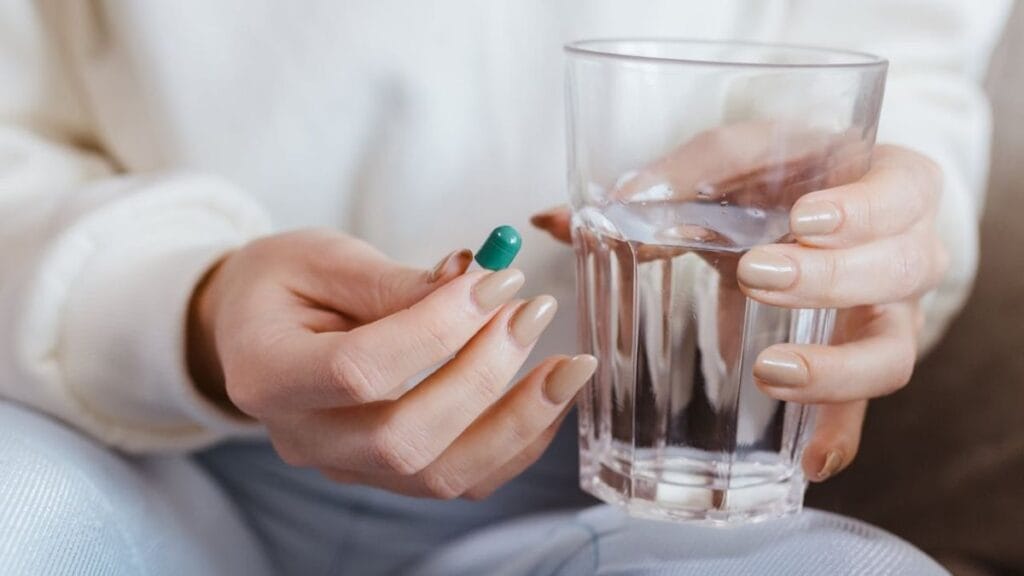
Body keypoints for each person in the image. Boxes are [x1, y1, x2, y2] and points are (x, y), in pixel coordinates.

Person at [0, 1, 1011, 574]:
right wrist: (186, 304)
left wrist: (862, 209)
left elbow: (906, 56)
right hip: (143, 462)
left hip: (627, 503)